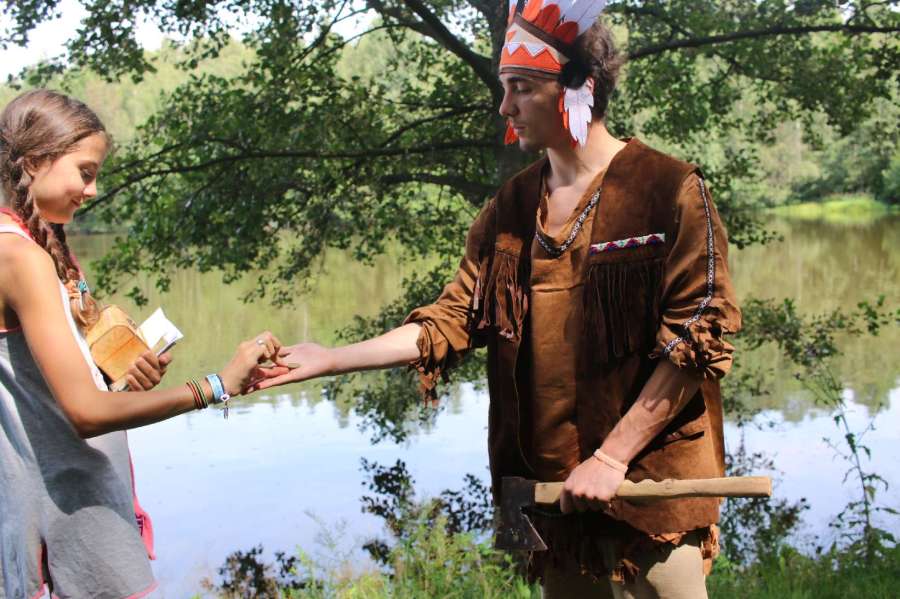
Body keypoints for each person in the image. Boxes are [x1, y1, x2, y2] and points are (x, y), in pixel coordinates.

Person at [259, 1, 741, 596]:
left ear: (578, 87)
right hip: (552, 494)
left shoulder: (668, 190)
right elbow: (451, 318)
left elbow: (697, 339)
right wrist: (331, 358)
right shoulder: (511, 208)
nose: (504, 107)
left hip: (650, 492)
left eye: (521, 88)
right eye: (504, 87)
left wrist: (612, 457)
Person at [0, 89, 283, 599]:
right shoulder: (20, 257)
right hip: (62, 515)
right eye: (85, 172)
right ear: (36, 161)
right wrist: (216, 385)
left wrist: (117, 379)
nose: (92, 190)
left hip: (76, 504)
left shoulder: (34, 246)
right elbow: (84, 414)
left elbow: (41, 395)